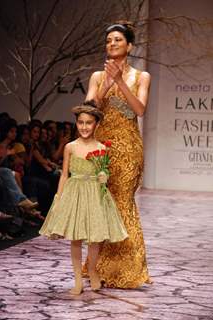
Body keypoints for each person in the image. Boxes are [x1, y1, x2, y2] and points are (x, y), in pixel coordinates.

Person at [85, 21, 151, 288]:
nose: (112, 44)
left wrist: (121, 82)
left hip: (128, 148)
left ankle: (128, 270)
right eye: (109, 40)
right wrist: (107, 83)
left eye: (118, 40)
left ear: (129, 46)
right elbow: (90, 109)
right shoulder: (96, 76)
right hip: (100, 148)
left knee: (123, 203)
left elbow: (140, 109)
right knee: (101, 205)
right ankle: (97, 268)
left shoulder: (141, 77)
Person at [39, 102, 128, 295]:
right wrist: (58, 197)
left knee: (95, 239)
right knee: (76, 238)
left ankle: (93, 269)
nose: (84, 127)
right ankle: (78, 279)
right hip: (75, 193)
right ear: (76, 124)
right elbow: (64, 174)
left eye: (89, 123)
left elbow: (104, 172)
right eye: (80, 123)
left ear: (96, 124)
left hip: (95, 194)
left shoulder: (102, 148)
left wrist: (104, 177)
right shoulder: (70, 147)